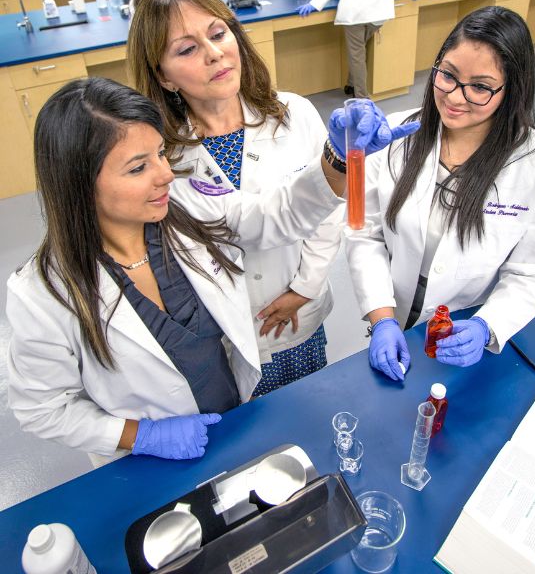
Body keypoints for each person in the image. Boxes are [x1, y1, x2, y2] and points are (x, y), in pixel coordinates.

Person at [6, 77, 417, 465]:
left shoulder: (184, 208)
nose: (166, 173)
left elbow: (274, 215)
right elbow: (42, 408)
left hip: (234, 415)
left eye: (160, 154)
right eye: (137, 168)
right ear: (79, 184)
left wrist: (338, 159)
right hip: (151, 460)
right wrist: (141, 435)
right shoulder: (41, 293)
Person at [127, 0, 344, 397]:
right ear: (164, 76)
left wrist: (305, 287)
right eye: (186, 49)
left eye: (218, 33)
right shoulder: (165, 157)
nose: (214, 53)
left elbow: (329, 214)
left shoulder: (294, 113)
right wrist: (332, 173)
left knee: (308, 412)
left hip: (299, 313)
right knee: (247, 441)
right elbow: (249, 224)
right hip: (227, 331)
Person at [344, 6, 535, 381]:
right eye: (449, 76)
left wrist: (489, 326)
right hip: (393, 311)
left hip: (467, 328)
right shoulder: (394, 135)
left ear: (511, 90)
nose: (456, 96)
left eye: (481, 87)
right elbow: (362, 228)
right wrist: (381, 316)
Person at [298, 0, 422, 99]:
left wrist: (315, 3)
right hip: (379, 14)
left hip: (356, 13)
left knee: (357, 56)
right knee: (359, 51)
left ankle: (362, 99)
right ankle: (351, 84)